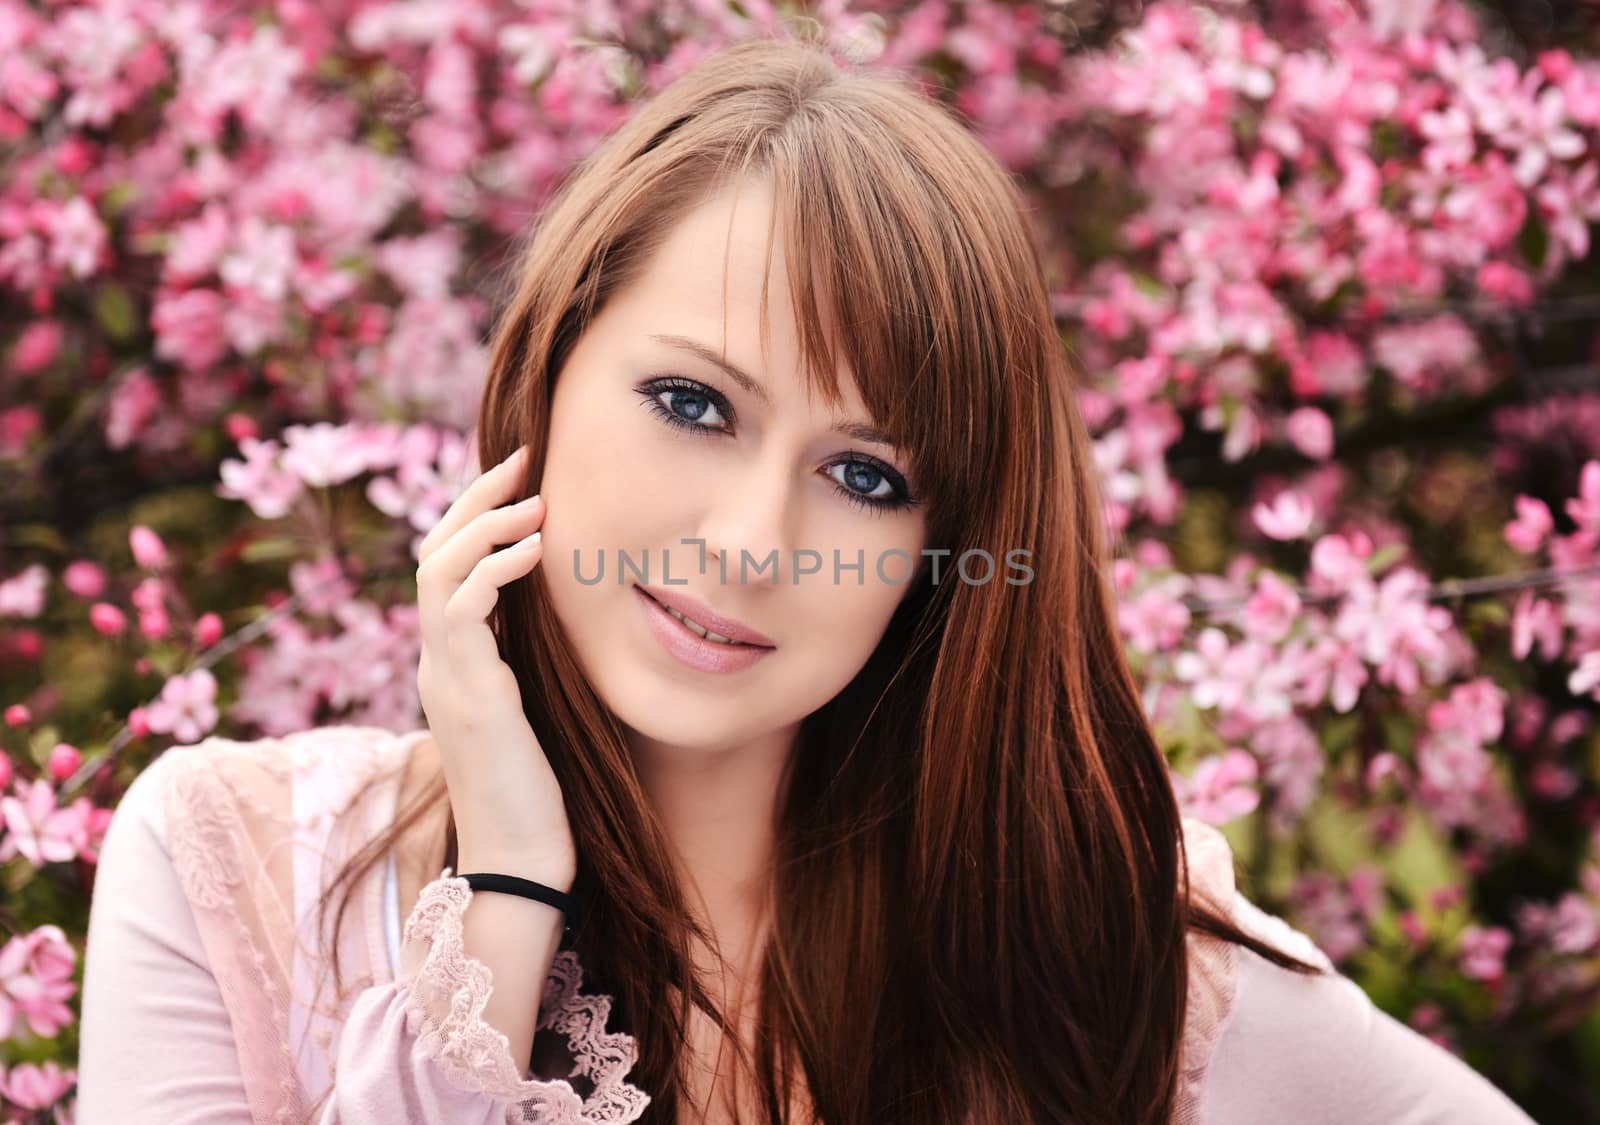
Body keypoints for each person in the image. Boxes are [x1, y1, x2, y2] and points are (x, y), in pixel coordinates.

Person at [77, 32, 1537, 1125]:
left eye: (868, 476)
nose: (753, 542)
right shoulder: (239, 874)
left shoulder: (1087, 953)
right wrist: (508, 880)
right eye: (694, 404)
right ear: (548, 363)